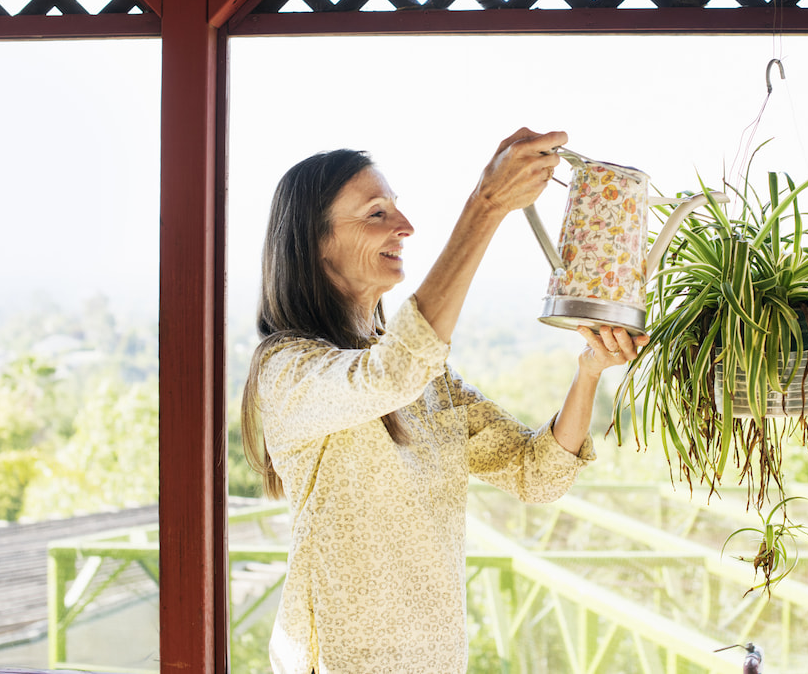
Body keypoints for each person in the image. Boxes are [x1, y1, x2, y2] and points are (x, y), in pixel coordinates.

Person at [240, 128, 648, 674]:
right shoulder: (288, 369)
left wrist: (590, 371)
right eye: (377, 213)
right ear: (315, 242)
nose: (405, 227)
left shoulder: (429, 379)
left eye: (396, 208)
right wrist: (486, 205)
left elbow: (538, 474)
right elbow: (393, 372)